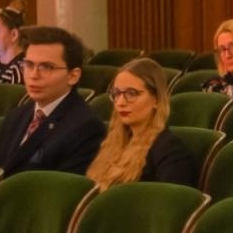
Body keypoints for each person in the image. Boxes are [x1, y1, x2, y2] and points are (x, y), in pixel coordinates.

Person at [0, 25, 106, 175]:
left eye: (46, 67)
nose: (34, 75)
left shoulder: (86, 127)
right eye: (29, 65)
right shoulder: (16, 116)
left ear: (73, 76)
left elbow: (61, 191)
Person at [85, 58, 198, 188]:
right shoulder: (113, 142)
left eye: (131, 93)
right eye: (116, 93)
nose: (120, 102)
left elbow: (168, 204)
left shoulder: (171, 151)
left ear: (156, 99)